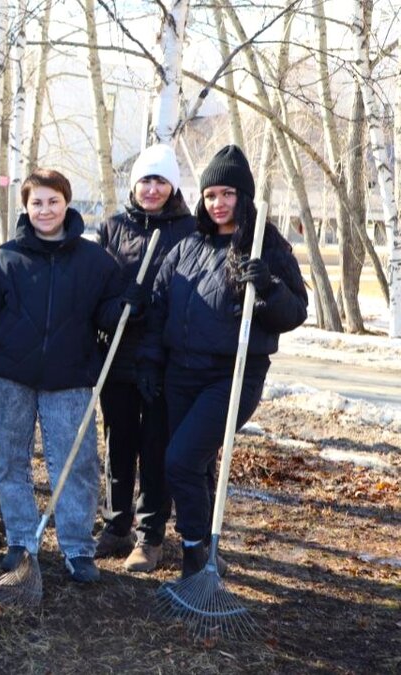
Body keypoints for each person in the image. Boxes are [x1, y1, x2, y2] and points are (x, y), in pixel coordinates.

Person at [0, 169, 131, 584]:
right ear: (26, 207)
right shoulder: (6, 259)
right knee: (10, 459)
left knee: (76, 464)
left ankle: (76, 547)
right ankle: (20, 540)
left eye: (53, 201)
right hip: (8, 376)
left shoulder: (94, 261)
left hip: (69, 378)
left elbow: (108, 314)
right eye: (37, 202)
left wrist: (128, 303)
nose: (45, 210)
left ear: (67, 203)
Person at [140, 145, 307, 579]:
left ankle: (195, 553)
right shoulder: (188, 245)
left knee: (179, 461)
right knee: (195, 465)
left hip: (232, 375)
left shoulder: (265, 244)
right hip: (181, 373)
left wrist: (268, 285)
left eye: (227, 193)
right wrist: (149, 364)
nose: (218, 203)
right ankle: (205, 550)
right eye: (211, 194)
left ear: (244, 196)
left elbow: (295, 313)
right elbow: (159, 306)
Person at [93, 144, 197, 572]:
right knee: (120, 442)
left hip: (165, 361)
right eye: (145, 180)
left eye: (160, 180)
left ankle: (149, 536)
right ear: (133, 184)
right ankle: (117, 522)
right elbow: (93, 298)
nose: (152, 189)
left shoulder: (191, 231)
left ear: (172, 185)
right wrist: (121, 305)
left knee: (157, 446)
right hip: (118, 355)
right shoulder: (112, 229)